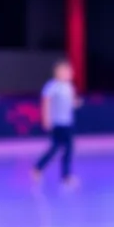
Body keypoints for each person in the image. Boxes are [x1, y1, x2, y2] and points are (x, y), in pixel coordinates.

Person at [32, 58, 80, 186]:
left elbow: (72, 103)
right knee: (55, 148)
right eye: (65, 71)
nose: (68, 73)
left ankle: (66, 175)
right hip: (57, 123)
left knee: (68, 149)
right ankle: (38, 167)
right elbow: (46, 103)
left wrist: (76, 103)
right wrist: (46, 118)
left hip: (67, 123)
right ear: (57, 72)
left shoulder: (69, 87)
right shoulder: (52, 86)